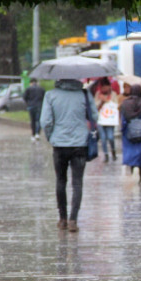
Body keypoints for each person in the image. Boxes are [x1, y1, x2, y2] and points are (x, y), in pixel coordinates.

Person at [40, 79, 98, 232]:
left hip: (59, 144)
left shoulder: (50, 95)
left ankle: (62, 218)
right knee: (77, 182)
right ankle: (73, 219)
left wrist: (51, 137)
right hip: (80, 144)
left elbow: (45, 121)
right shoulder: (84, 94)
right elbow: (95, 116)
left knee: (60, 180)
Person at [120, 84, 141, 183]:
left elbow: (123, 119)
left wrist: (123, 130)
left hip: (129, 132)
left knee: (130, 153)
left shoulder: (125, 103)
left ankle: (132, 169)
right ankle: (140, 173)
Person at [95, 77, 119, 162]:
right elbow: (95, 107)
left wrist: (108, 100)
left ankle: (113, 151)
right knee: (103, 138)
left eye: (106, 86)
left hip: (110, 120)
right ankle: (106, 154)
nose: (104, 88)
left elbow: (116, 106)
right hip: (101, 120)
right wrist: (101, 101)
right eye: (103, 87)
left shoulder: (113, 94)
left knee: (110, 137)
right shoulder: (98, 94)